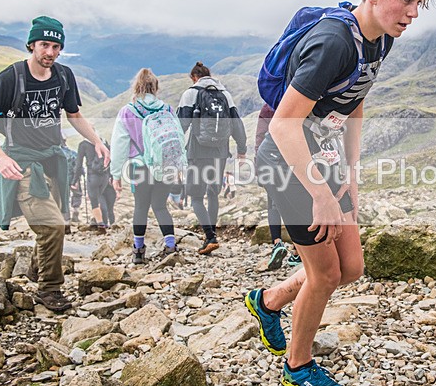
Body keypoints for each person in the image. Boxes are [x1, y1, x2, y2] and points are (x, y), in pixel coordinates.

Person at [245, 0, 436, 386]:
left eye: (418, 3)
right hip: (287, 160)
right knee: (325, 274)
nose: (412, 13)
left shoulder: (381, 37)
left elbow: (356, 99)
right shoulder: (333, 42)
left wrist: (350, 171)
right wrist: (321, 194)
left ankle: (268, 302)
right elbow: (286, 124)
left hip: (323, 156)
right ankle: (298, 364)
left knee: (349, 267)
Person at [0, 16, 110, 312]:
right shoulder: (10, 78)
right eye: (44, 45)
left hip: (53, 160)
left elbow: (74, 114)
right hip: (23, 163)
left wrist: (97, 141)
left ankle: (37, 267)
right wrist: (0, 157)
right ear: (32, 45)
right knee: (52, 227)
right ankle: (49, 290)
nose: (50, 51)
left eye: (56, 46)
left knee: (55, 221)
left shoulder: (63, 76)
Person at [110, 68, 183, 264]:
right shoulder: (167, 110)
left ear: (137, 87)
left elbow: (119, 145)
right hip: (165, 166)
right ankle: (170, 245)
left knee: (141, 207)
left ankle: (139, 251)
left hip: (139, 167)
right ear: (156, 87)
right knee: (160, 205)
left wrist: (116, 175)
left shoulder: (127, 111)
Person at [176, 62, 246, 255]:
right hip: (220, 152)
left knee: (196, 196)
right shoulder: (225, 94)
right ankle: (212, 233)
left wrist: (174, 150)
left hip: (197, 151)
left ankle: (210, 237)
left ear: (193, 77)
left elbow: (180, 124)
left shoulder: (191, 93)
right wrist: (242, 149)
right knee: (213, 192)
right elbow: (237, 123)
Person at [255, 103, 301, 270]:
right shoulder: (301, 101)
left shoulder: (268, 108)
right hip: (295, 162)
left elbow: (260, 138)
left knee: (273, 204)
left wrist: (258, 167)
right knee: (295, 206)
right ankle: (297, 250)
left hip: (271, 161)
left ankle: (277, 243)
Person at [75, 136, 115, 232]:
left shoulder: (83, 144)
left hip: (92, 176)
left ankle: (101, 225)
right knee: (106, 204)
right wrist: (113, 178)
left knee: (95, 202)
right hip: (105, 176)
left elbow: (78, 165)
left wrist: (74, 180)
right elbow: (111, 161)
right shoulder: (104, 143)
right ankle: (109, 224)